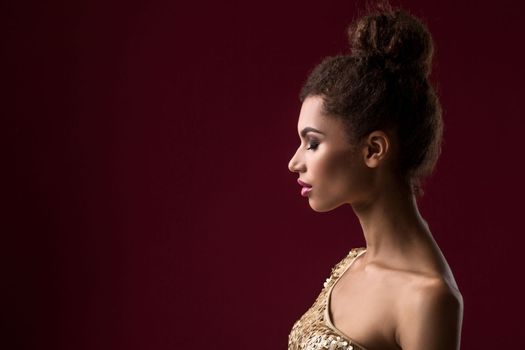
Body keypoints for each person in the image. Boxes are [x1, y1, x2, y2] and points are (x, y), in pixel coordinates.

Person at [286, 2, 463, 350]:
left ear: (373, 150)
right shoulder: (351, 264)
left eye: (312, 143)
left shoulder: (427, 297)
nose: (294, 163)